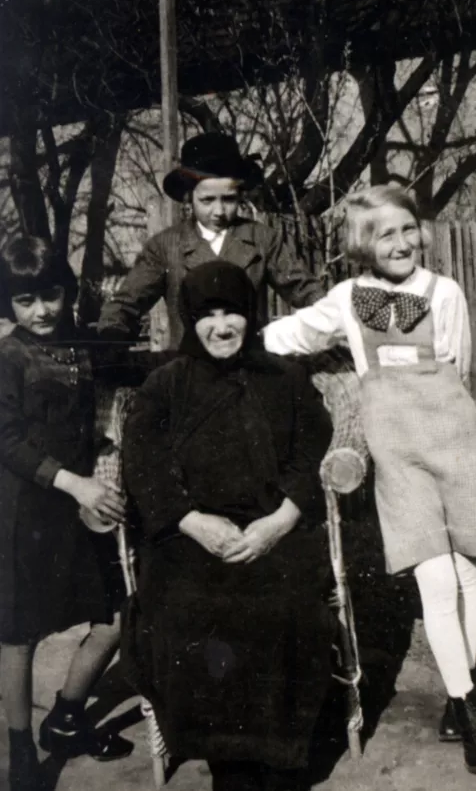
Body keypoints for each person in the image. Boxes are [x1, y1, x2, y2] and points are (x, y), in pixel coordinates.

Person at [263, 184, 476, 775]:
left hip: (455, 439)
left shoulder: (445, 292)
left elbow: (459, 366)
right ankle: (472, 717)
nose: (401, 242)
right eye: (386, 234)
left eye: (408, 229)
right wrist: (234, 342)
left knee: (467, 569)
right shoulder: (347, 299)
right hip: (396, 452)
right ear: (362, 243)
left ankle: (459, 694)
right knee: (435, 576)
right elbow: (290, 334)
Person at [121, 260, 336, 791]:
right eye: (207, 315)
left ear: (251, 315)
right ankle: (230, 764)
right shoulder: (165, 385)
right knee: (197, 611)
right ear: (189, 320)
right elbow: (143, 464)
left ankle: (281, 757)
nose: (221, 327)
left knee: (286, 608)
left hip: (276, 531)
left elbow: (312, 453)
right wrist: (192, 521)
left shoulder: (286, 378)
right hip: (189, 538)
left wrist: (279, 522)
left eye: (232, 313)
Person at [0, 237, 133, 791]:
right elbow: (7, 440)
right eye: (25, 300)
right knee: (20, 634)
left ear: (67, 291)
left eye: (51, 295)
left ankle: (67, 717)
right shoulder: (8, 357)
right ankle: (21, 751)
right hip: (24, 512)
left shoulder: (78, 346)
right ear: (8, 304)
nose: (41, 311)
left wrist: (100, 462)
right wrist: (75, 482)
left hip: (79, 507)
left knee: (115, 618)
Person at [97, 131, 325, 348]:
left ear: (241, 195)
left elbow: (307, 291)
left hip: (250, 366)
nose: (219, 211)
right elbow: (125, 304)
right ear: (189, 198)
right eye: (207, 200)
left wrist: (333, 320)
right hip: (189, 368)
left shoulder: (262, 239)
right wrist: (112, 335)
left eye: (229, 199)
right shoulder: (165, 247)